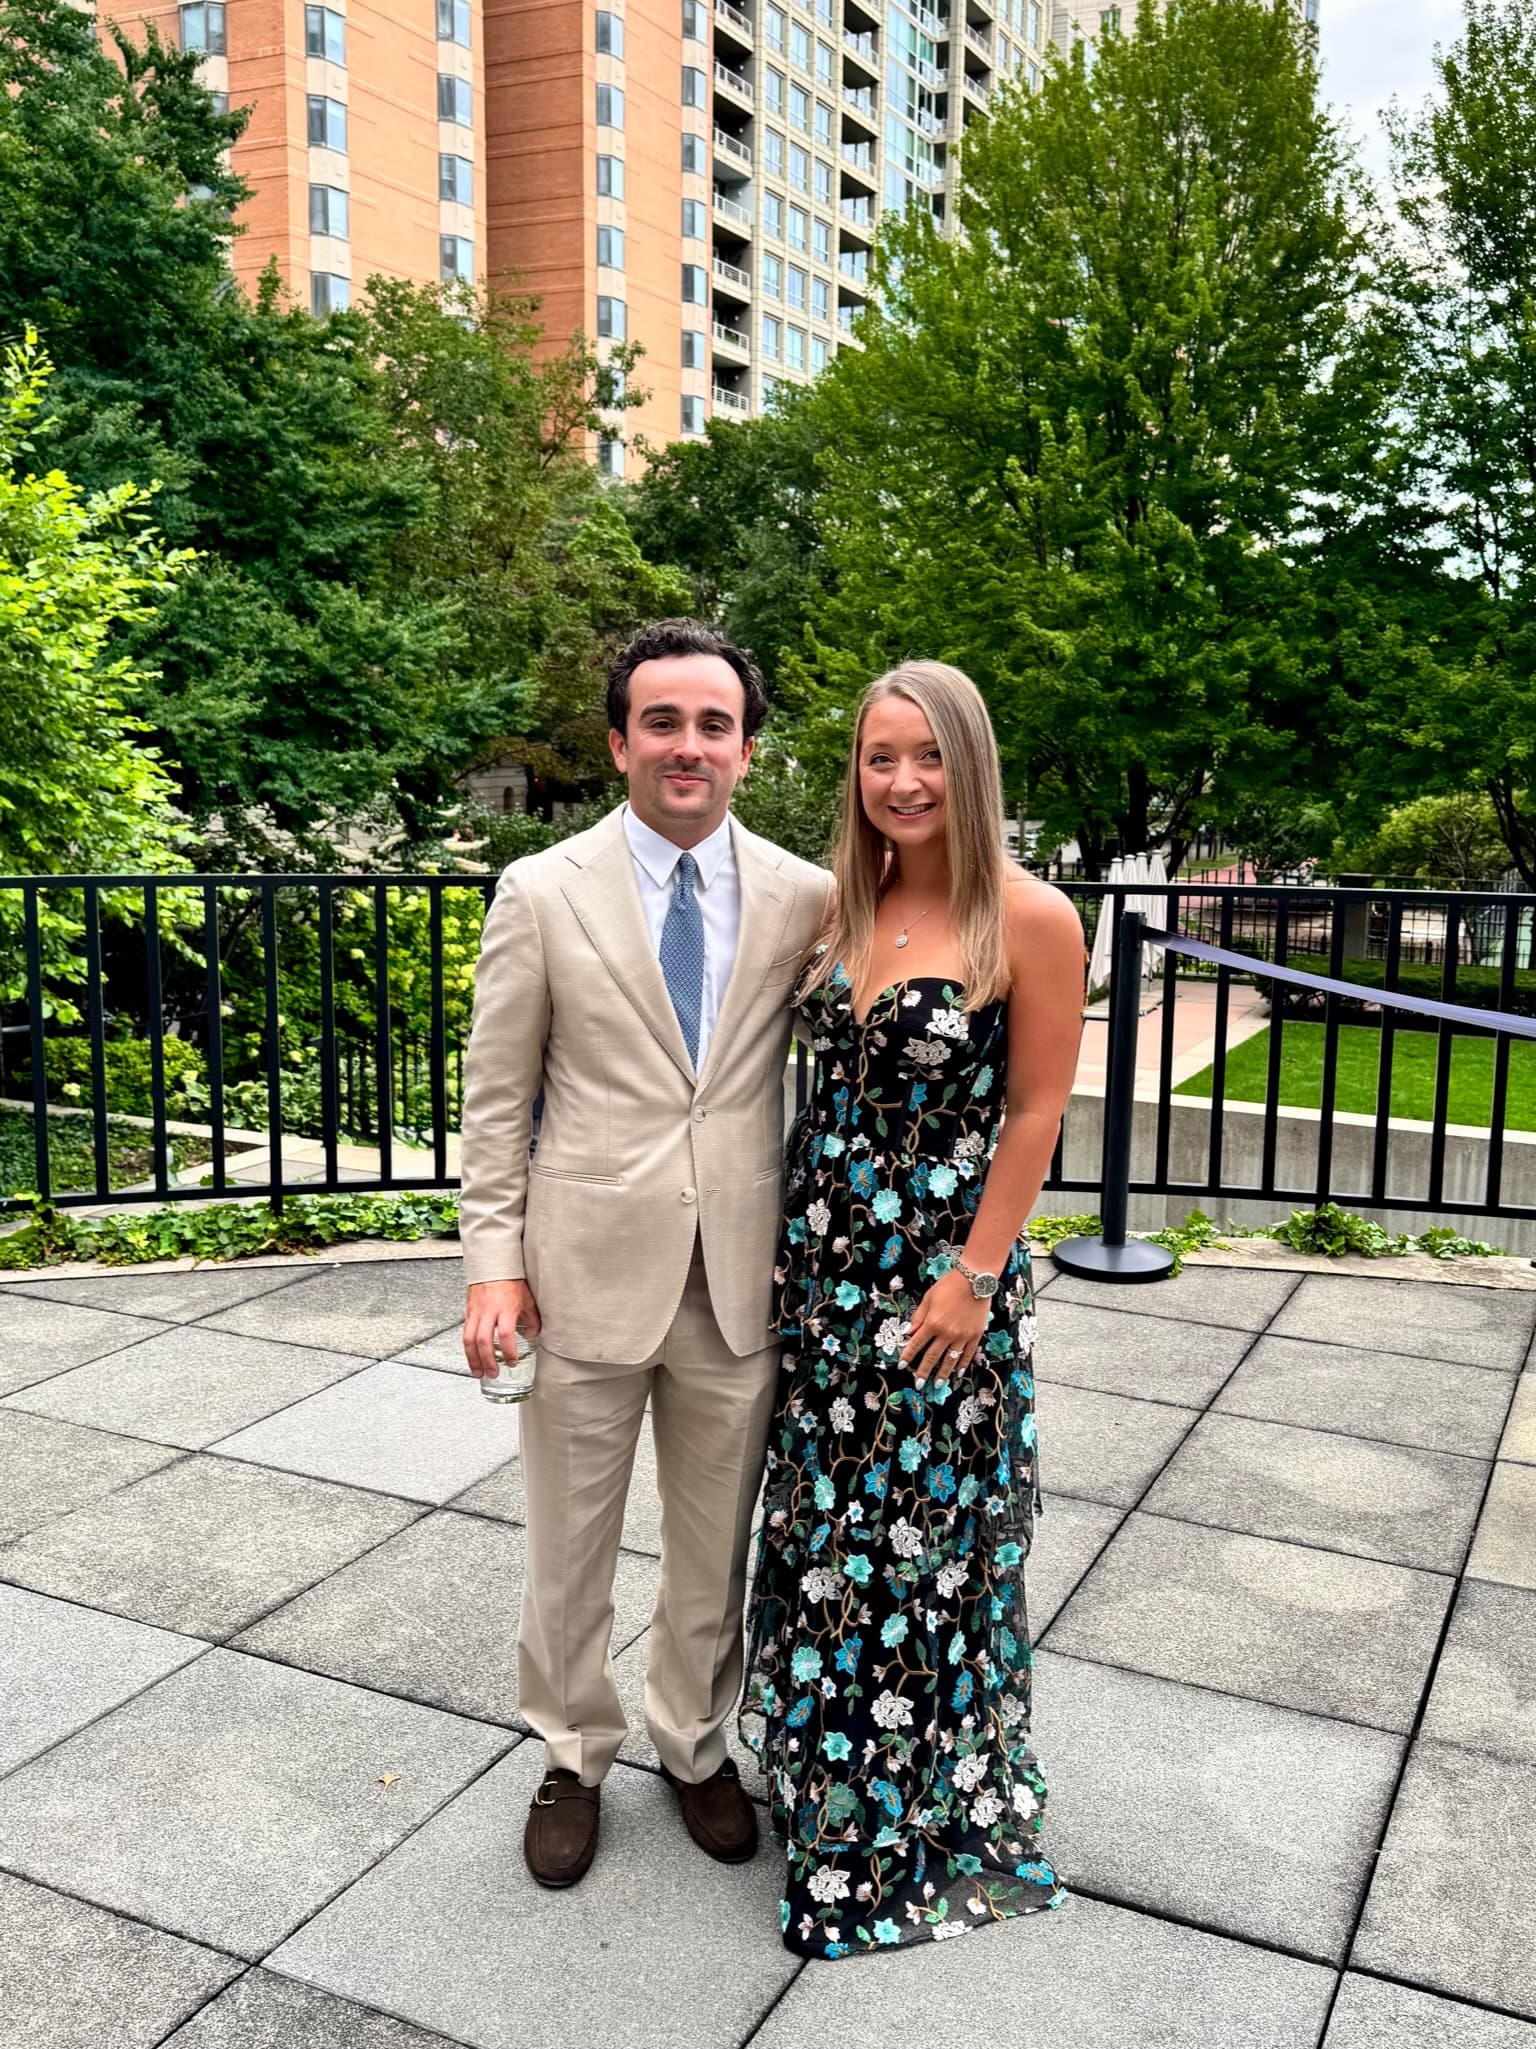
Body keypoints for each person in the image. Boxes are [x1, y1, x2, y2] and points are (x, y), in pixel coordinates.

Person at [458, 617, 833, 1890]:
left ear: (745, 749)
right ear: (620, 741)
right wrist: (492, 1265)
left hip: (739, 1279)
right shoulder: (541, 889)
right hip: (581, 1275)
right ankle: (571, 1748)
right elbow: (497, 1099)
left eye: (713, 724)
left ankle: (695, 1744)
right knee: (568, 1541)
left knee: (714, 1543)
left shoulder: (804, 897)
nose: (689, 745)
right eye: (662, 721)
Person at [740, 659, 1086, 1958]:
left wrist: (976, 1277)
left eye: (926, 757)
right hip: (827, 1283)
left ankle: (911, 1808)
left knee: (923, 1555)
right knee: (831, 1540)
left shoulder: (1032, 919)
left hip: (943, 1291)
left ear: (970, 766)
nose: (901, 782)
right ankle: (837, 1789)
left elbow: (1037, 1111)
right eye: (880, 758)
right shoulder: (845, 905)